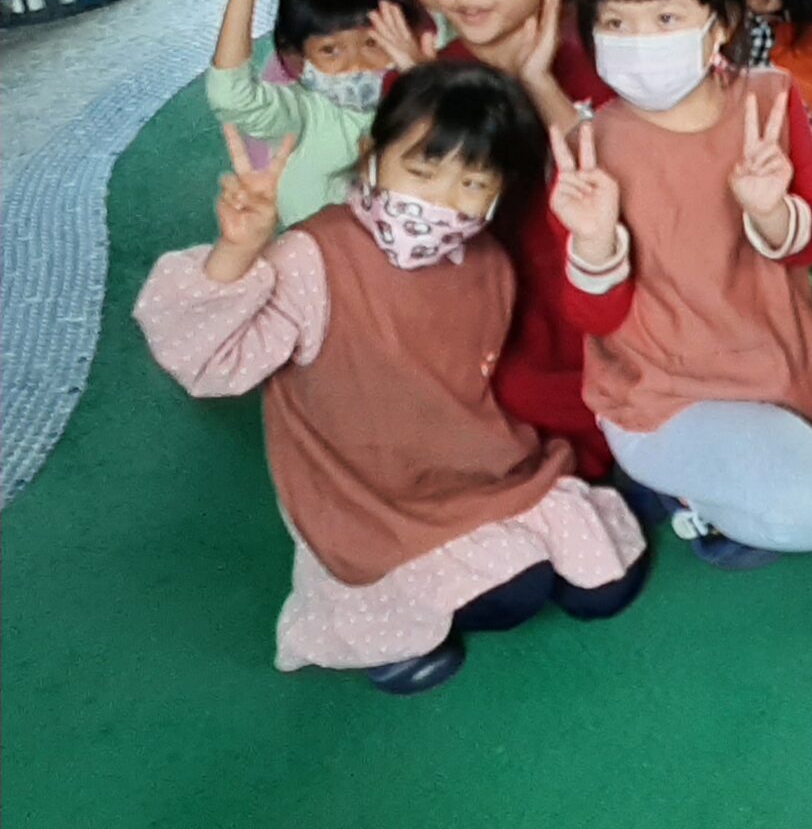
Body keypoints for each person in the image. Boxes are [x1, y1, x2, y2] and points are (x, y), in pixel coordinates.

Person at [135, 66, 649, 692]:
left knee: (602, 590)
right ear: (371, 154)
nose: (441, 201)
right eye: (422, 171)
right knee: (517, 593)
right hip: (364, 493)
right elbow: (206, 363)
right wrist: (237, 252)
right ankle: (385, 624)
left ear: (497, 192)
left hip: (475, 468)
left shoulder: (487, 259)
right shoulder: (314, 255)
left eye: (472, 182)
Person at [552, 0, 812, 567]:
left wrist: (771, 211)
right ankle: (680, 490)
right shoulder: (590, 150)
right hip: (669, 393)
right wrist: (594, 244)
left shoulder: (770, 99)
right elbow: (593, 317)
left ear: (722, 24)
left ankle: (769, 431)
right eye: (616, 22)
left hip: (783, 355)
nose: (639, 40)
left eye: (665, 18)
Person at [322, 0, 614, 477]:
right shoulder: (433, 74)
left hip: (584, 308)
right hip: (474, 309)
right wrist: (424, 94)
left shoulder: (595, 66)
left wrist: (539, 84)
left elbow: (617, 187)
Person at [203, 0, 432, 226]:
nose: (355, 64)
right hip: (323, 256)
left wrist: (419, 76)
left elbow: (466, 23)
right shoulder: (304, 114)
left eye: (372, 43)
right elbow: (230, 95)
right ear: (298, 58)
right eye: (330, 51)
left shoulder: (426, 96)